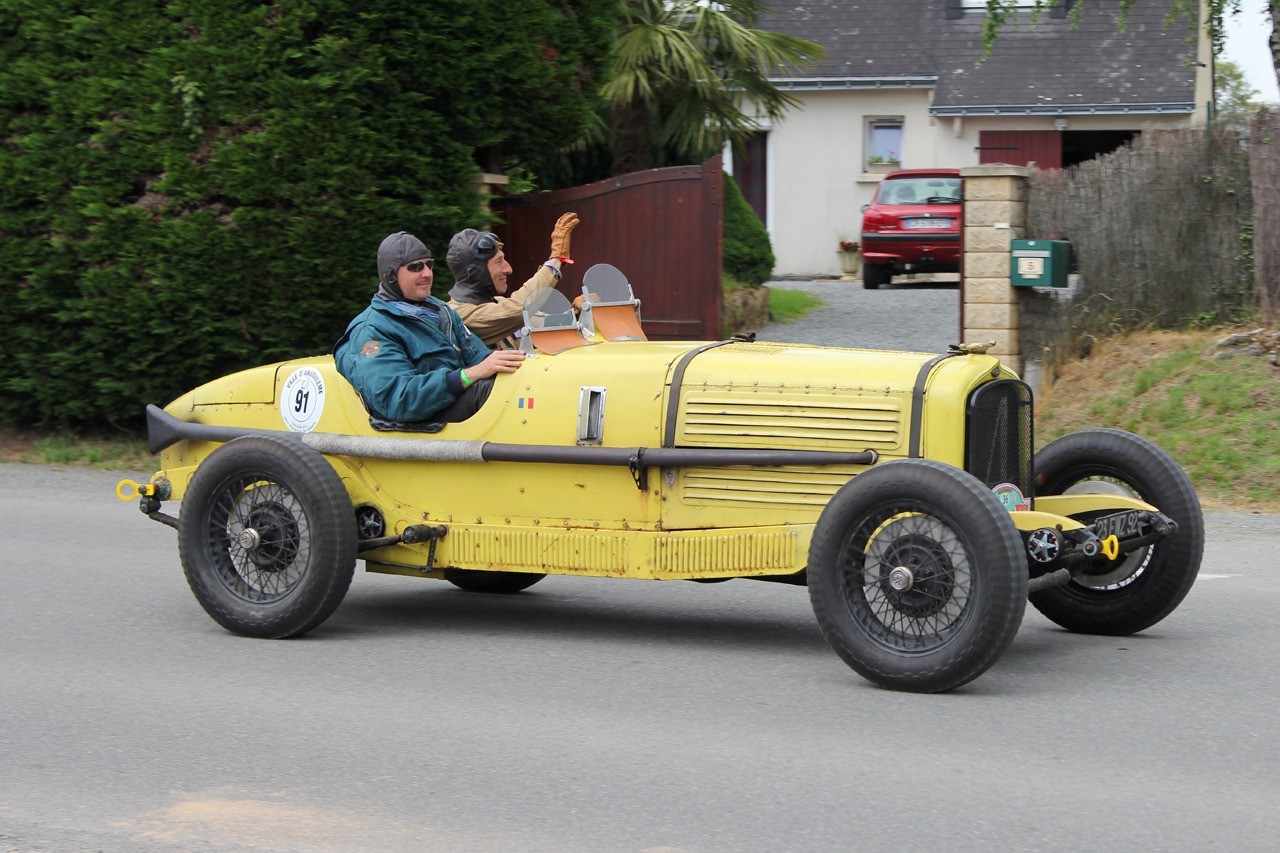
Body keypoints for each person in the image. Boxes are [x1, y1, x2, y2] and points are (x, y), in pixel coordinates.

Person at [334, 231, 525, 425]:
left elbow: (480, 357)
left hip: (451, 407)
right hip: (419, 422)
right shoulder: (372, 330)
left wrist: (519, 363)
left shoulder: (442, 311)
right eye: (415, 267)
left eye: (429, 264)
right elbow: (398, 400)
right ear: (390, 276)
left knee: (516, 378)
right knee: (490, 390)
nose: (427, 273)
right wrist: (468, 376)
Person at [447, 212, 580, 347]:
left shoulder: (498, 303)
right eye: (499, 261)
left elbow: (550, 325)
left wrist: (579, 313)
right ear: (477, 271)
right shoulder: (457, 315)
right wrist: (555, 262)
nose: (508, 269)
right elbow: (520, 307)